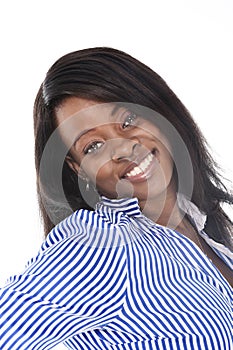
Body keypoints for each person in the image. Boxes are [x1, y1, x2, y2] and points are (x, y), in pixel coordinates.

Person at [0, 47, 232, 350]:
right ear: (78, 168)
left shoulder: (203, 225)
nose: (122, 149)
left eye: (128, 120)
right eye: (93, 146)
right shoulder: (98, 246)